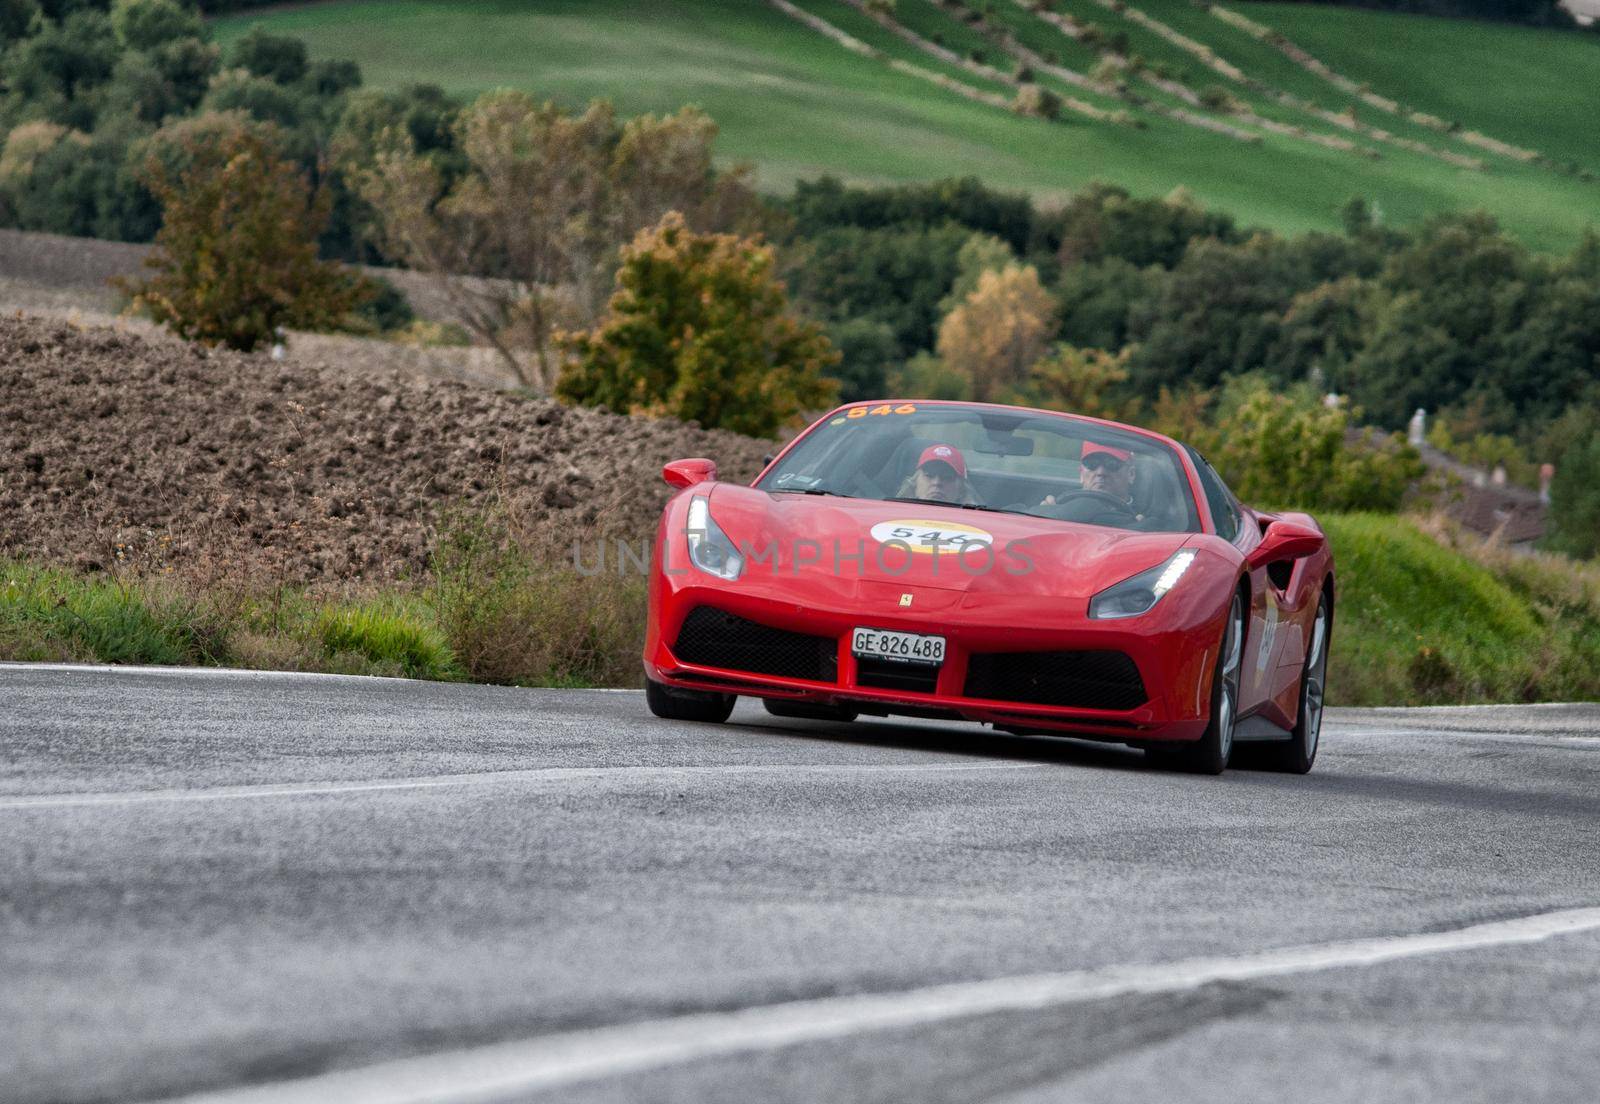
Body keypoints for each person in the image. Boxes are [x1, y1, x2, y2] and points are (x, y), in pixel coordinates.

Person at [895, 443, 979, 505]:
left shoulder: (972, 524)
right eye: (929, 475)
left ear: (961, 490)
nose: (936, 482)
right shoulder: (893, 514)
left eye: (947, 478)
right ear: (915, 484)